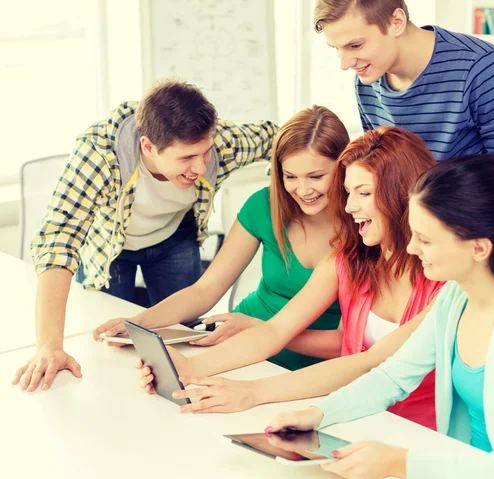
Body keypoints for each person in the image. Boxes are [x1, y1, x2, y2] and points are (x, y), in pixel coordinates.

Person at [268, 154, 494, 479]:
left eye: (425, 239)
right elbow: (393, 377)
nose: (411, 248)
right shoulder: (455, 298)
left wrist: (399, 463)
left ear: (479, 248)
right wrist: (318, 414)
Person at [138, 127, 444, 430]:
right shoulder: (347, 260)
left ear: (404, 194)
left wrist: (252, 392)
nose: (349, 207)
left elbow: (372, 362)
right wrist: (189, 368)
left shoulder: (445, 282)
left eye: (363, 193)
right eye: (348, 192)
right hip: (350, 417)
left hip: (414, 431)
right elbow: (273, 332)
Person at [13, 79, 278, 392]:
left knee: (181, 339)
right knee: (110, 344)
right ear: (148, 146)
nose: (200, 166)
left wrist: (286, 188)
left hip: (174, 238)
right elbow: (59, 238)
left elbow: (279, 138)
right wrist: (49, 347)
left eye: (204, 152)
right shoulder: (100, 152)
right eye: (186, 158)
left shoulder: (221, 143)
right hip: (111, 249)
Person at [93, 105, 349, 371]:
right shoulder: (265, 206)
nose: (303, 189)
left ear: (345, 166)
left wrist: (260, 329)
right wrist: (137, 323)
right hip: (241, 342)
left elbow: (343, 344)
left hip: (308, 362)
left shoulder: (365, 228)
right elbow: (205, 290)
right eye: (290, 176)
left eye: (316, 176)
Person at [314, 0, 494, 187]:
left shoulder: (483, 68)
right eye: (336, 48)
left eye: (355, 46)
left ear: (396, 22)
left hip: (470, 226)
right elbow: (381, 169)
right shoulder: (367, 78)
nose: (345, 64)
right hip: (405, 227)